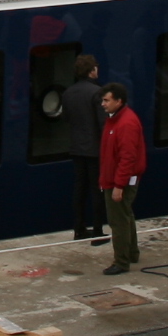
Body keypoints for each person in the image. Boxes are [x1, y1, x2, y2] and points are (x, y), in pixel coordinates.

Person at [96, 81, 147, 274]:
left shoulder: (125, 124)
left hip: (119, 181)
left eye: (106, 100)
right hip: (116, 179)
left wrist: (119, 185)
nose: (103, 104)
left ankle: (121, 261)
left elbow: (127, 158)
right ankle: (131, 253)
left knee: (118, 220)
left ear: (119, 101)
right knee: (126, 215)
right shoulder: (117, 119)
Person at [61, 55, 107, 240]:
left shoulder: (68, 92)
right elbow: (102, 123)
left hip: (76, 146)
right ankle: (97, 230)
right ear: (91, 71)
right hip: (94, 148)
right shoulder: (97, 92)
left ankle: (79, 229)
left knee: (79, 188)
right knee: (97, 189)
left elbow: (66, 118)